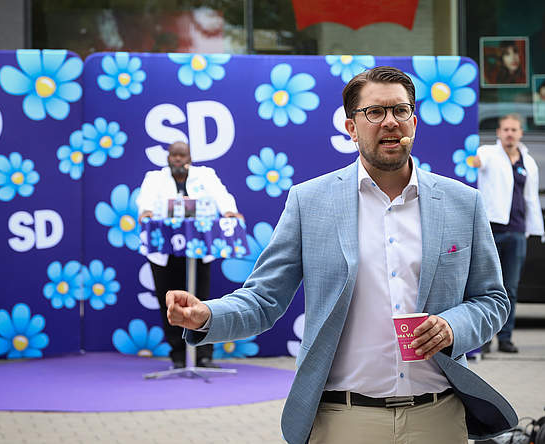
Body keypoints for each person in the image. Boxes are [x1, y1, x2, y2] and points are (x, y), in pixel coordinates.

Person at [166, 66, 516, 444]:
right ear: (351, 128)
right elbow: (265, 300)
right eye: (375, 112)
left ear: (413, 121)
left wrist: (453, 327)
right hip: (343, 419)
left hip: (438, 417)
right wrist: (207, 315)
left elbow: (492, 300)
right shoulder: (309, 202)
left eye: (400, 111)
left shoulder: (463, 203)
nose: (390, 122)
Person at [136, 141, 242, 369]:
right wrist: (145, 211)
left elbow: (221, 195)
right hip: (165, 250)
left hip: (197, 250)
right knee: (171, 304)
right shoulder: (155, 178)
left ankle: (203, 355)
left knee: (201, 302)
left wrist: (229, 212)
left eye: (182, 155)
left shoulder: (205, 175)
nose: (177, 159)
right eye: (173, 155)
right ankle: (178, 356)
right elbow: (144, 201)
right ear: (167, 157)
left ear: (190, 158)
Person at [474, 114, 545, 354]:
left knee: (510, 288)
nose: (510, 134)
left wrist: (532, 228)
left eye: (514, 129)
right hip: (492, 229)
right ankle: (483, 340)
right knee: (484, 286)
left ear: (521, 133)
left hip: (516, 230)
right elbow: (475, 162)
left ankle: (505, 338)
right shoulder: (488, 153)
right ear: (498, 132)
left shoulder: (528, 162)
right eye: (505, 129)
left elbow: (531, 197)